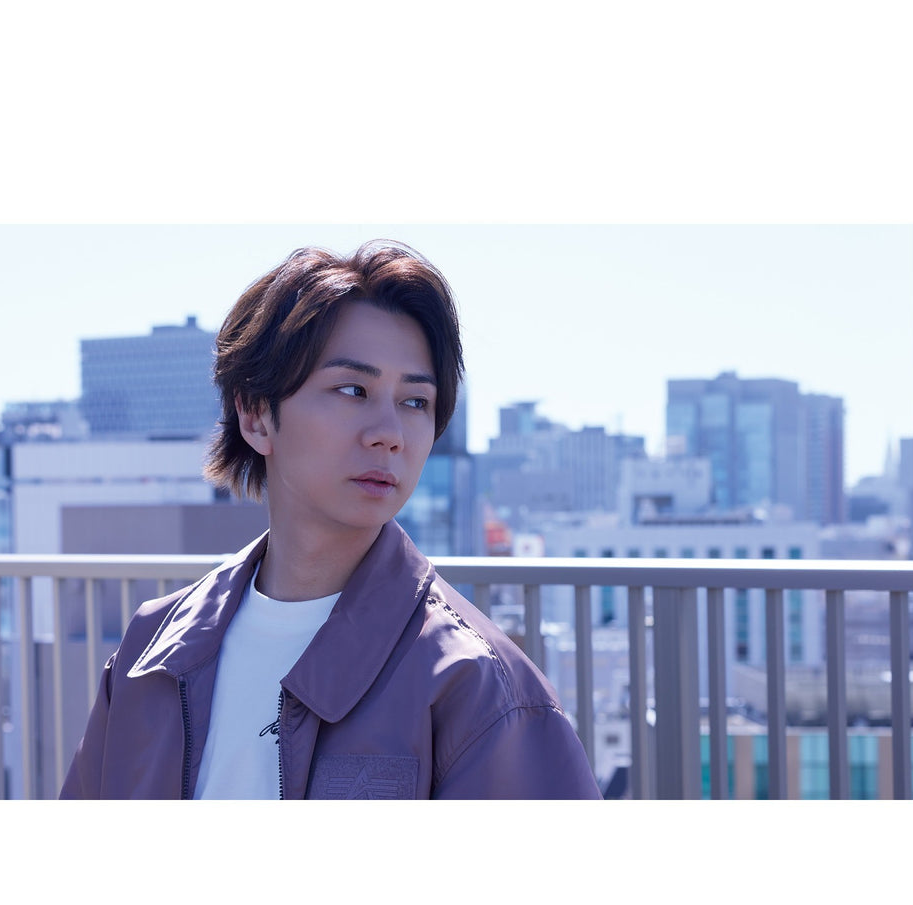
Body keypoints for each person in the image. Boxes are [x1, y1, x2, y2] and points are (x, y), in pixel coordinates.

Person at [60, 240, 602, 799]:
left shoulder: (477, 685)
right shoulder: (151, 654)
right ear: (256, 414)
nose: (389, 433)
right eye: (352, 390)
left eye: (415, 401)